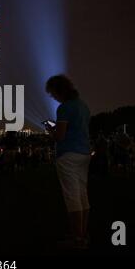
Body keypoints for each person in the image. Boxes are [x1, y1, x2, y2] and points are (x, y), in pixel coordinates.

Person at [45, 74, 91, 249]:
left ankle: (77, 238)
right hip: (84, 153)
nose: (53, 98)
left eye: (53, 94)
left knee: (72, 196)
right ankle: (83, 233)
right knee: (82, 194)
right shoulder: (83, 106)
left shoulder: (64, 108)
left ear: (59, 91)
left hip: (68, 155)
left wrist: (51, 130)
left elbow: (60, 136)